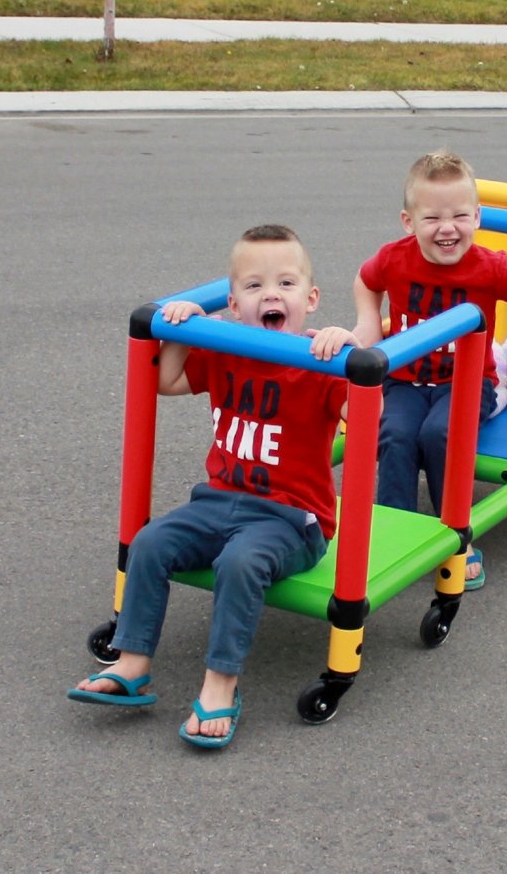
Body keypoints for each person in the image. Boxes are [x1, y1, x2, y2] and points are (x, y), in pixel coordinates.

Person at [68, 225, 358, 750]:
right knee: (151, 542)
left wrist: (347, 347)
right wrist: (181, 329)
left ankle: (221, 685)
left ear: (310, 300)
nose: (271, 294)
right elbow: (167, 381)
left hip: (291, 519)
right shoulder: (225, 349)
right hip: (218, 501)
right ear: (233, 303)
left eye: (286, 283)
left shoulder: (320, 363)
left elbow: (360, 423)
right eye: (253, 286)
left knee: (240, 563)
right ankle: (132, 663)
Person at [317, 150, 507, 591]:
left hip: (469, 382)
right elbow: (367, 280)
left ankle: (456, 536)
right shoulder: (394, 259)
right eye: (432, 218)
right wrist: (366, 325)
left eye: (459, 216)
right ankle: (397, 530)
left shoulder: (489, 267)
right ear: (409, 222)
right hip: (405, 381)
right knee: (392, 435)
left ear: (478, 216)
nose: (447, 228)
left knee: (439, 433)